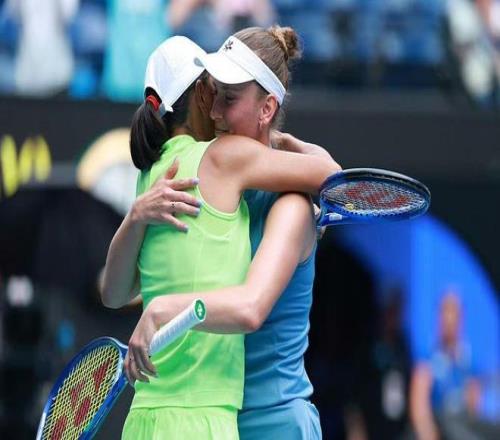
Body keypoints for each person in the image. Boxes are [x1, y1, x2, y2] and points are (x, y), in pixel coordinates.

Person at [101, 31, 340, 439]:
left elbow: (333, 177)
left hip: (276, 419)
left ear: (267, 108)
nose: (214, 112)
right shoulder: (204, 186)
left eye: (227, 99)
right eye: (213, 95)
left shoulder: (290, 205)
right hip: (222, 417)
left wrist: (281, 142)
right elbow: (116, 291)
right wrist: (136, 216)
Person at [410, 291, 481, 440]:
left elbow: (473, 409)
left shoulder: (468, 364)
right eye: (444, 312)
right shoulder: (427, 362)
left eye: (453, 313)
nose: (449, 320)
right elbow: (419, 408)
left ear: (461, 319)